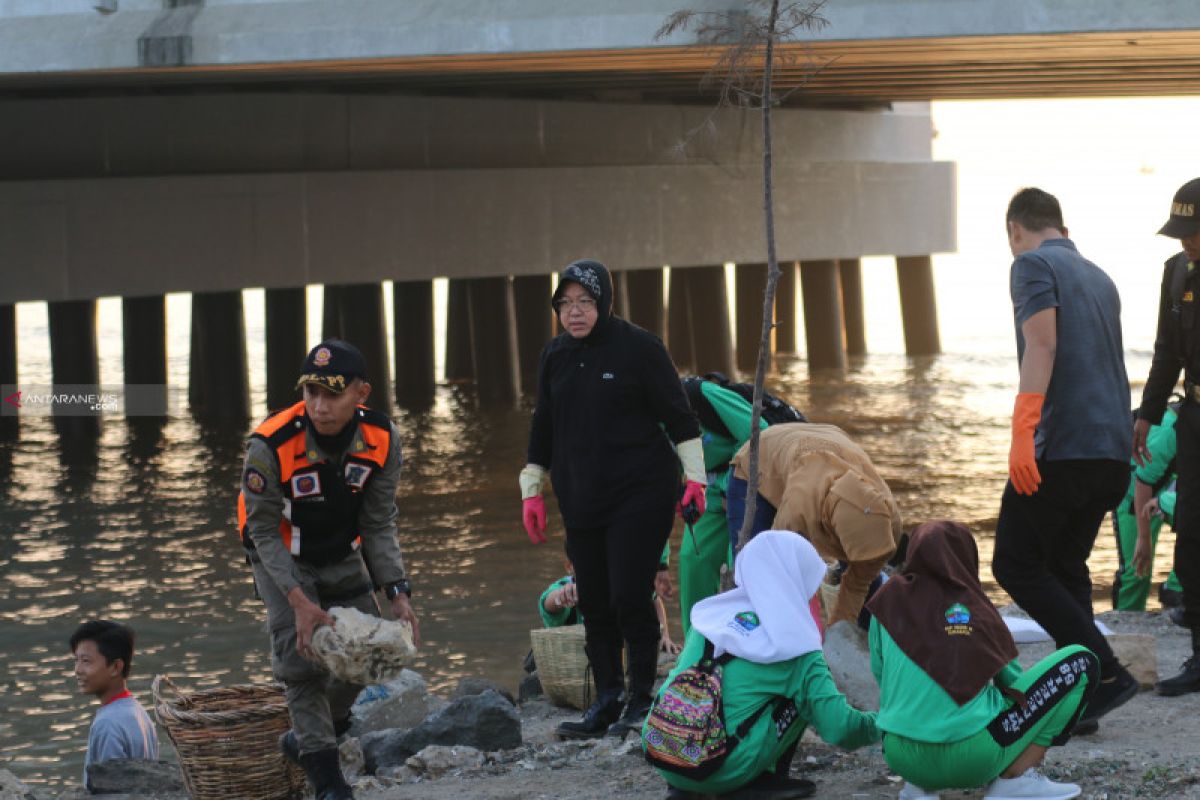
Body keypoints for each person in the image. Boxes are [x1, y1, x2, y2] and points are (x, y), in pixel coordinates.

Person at [520, 259, 705, 739]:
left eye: (584, 302)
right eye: (565, 304)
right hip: (581, 496)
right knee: (596, 600)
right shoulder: (554, 356)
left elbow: (681, 420)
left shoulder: (640, 348)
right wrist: (532, 488)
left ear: (603, 302)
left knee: (629, 594)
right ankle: (606, 699)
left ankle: (641, 699)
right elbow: (543, 425)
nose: (574, 312)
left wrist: (696, 480)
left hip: (640, 492)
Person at [236, 339, 419, 800]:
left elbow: (378, 522)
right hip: (280, 553)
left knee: (369, 652)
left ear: (362, 393)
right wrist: (298, 602)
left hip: (339, 551)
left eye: (332, 394)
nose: (319, 405)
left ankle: (311, 738)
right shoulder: (270, 443)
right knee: (302, 664)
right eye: (311, 392)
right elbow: (259, 532)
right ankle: (327, 782)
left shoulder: (382, 439)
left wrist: (397, 594)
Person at [992, 187, 1134, 731]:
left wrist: (1023, 431)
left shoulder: (1030, 264)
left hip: (1065, 448)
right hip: (1110, 453)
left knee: (1014, 562)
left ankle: (1107, 675)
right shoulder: (1101, 277)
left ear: (1015, 229)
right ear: (1063, 227)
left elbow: (1042, 345)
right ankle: (1082, 699)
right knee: (1063, 565)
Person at [867, 521, 1096, 800]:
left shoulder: (887, 600)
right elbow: (1014, 685)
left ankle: (918, 788)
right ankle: (1016, 779)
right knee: (1082, 661)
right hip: (973, 760)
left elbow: (882, 676)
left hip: (901, 757)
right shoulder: (977, 607)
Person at [647, 530, 879, 800]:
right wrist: (883, 723)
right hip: (723, 769)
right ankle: (760, 779)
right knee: (802, 696)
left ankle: (685, 784)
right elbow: (841, 728)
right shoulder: (798, 647)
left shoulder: (708, 619)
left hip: (662, 750)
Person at [725, 422, 903, 627]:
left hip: (830, 439)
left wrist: (838, 638)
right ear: (832, 530)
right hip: (763, 457)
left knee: (867, 583)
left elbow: (858, 584)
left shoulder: (889, 523)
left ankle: (869, 645)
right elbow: (775, 563)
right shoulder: (799, 510)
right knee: (757, 574)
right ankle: (747, 643)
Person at [1134, 176, 1200, 697]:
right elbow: (1166, 353)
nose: (1187, 241)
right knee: (1193, 531)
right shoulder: (1176, 272)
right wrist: (1147, 416)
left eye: (1195, 232)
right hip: (1196, 417)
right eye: (1182, 232)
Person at [678, 376, 768, 637]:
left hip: (746, 486)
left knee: (742, 567)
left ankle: (750, 642)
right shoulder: (643, 414)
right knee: (692, 559)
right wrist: (660, 564)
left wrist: (735, 485)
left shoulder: (702, 395)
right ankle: (695, 645)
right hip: (704, 490)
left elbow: (760, 432)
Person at [70, 620, 159, 792]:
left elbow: (110, 792)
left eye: (86, 661)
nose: (78, 670)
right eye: (76, 660)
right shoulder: (139, 712)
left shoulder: (107, 723)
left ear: (115, 667)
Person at [1112, 403, 1182, 611]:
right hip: (1134, 492)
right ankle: (1124, 623)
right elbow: (1143, 481)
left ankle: (1176, 588)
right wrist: (1143, 539)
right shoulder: (1171, 429)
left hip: (1172, 488)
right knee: (1137, 571)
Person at [540, 558, 681, 655]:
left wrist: (665, 635)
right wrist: (561, 595)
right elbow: (547, 605)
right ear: (570, 567)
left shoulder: (619, 584)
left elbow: (653, 599)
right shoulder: (565, 587)